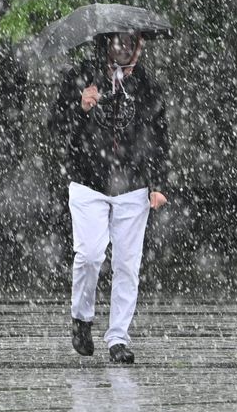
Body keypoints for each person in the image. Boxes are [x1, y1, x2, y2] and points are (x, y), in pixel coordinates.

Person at [49, 31, 170, 364]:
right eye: (119, 42)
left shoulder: (146, 85)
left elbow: (158, 135)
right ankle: (82, 317)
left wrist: (157, 181)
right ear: (104, 44)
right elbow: (58, 131)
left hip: (132, 187)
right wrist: (81, 109)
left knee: (127, 265)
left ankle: (118, 337)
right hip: (88, 183)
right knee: (89, 255)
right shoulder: (80, 78)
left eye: (132, 43)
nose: (126, 49)